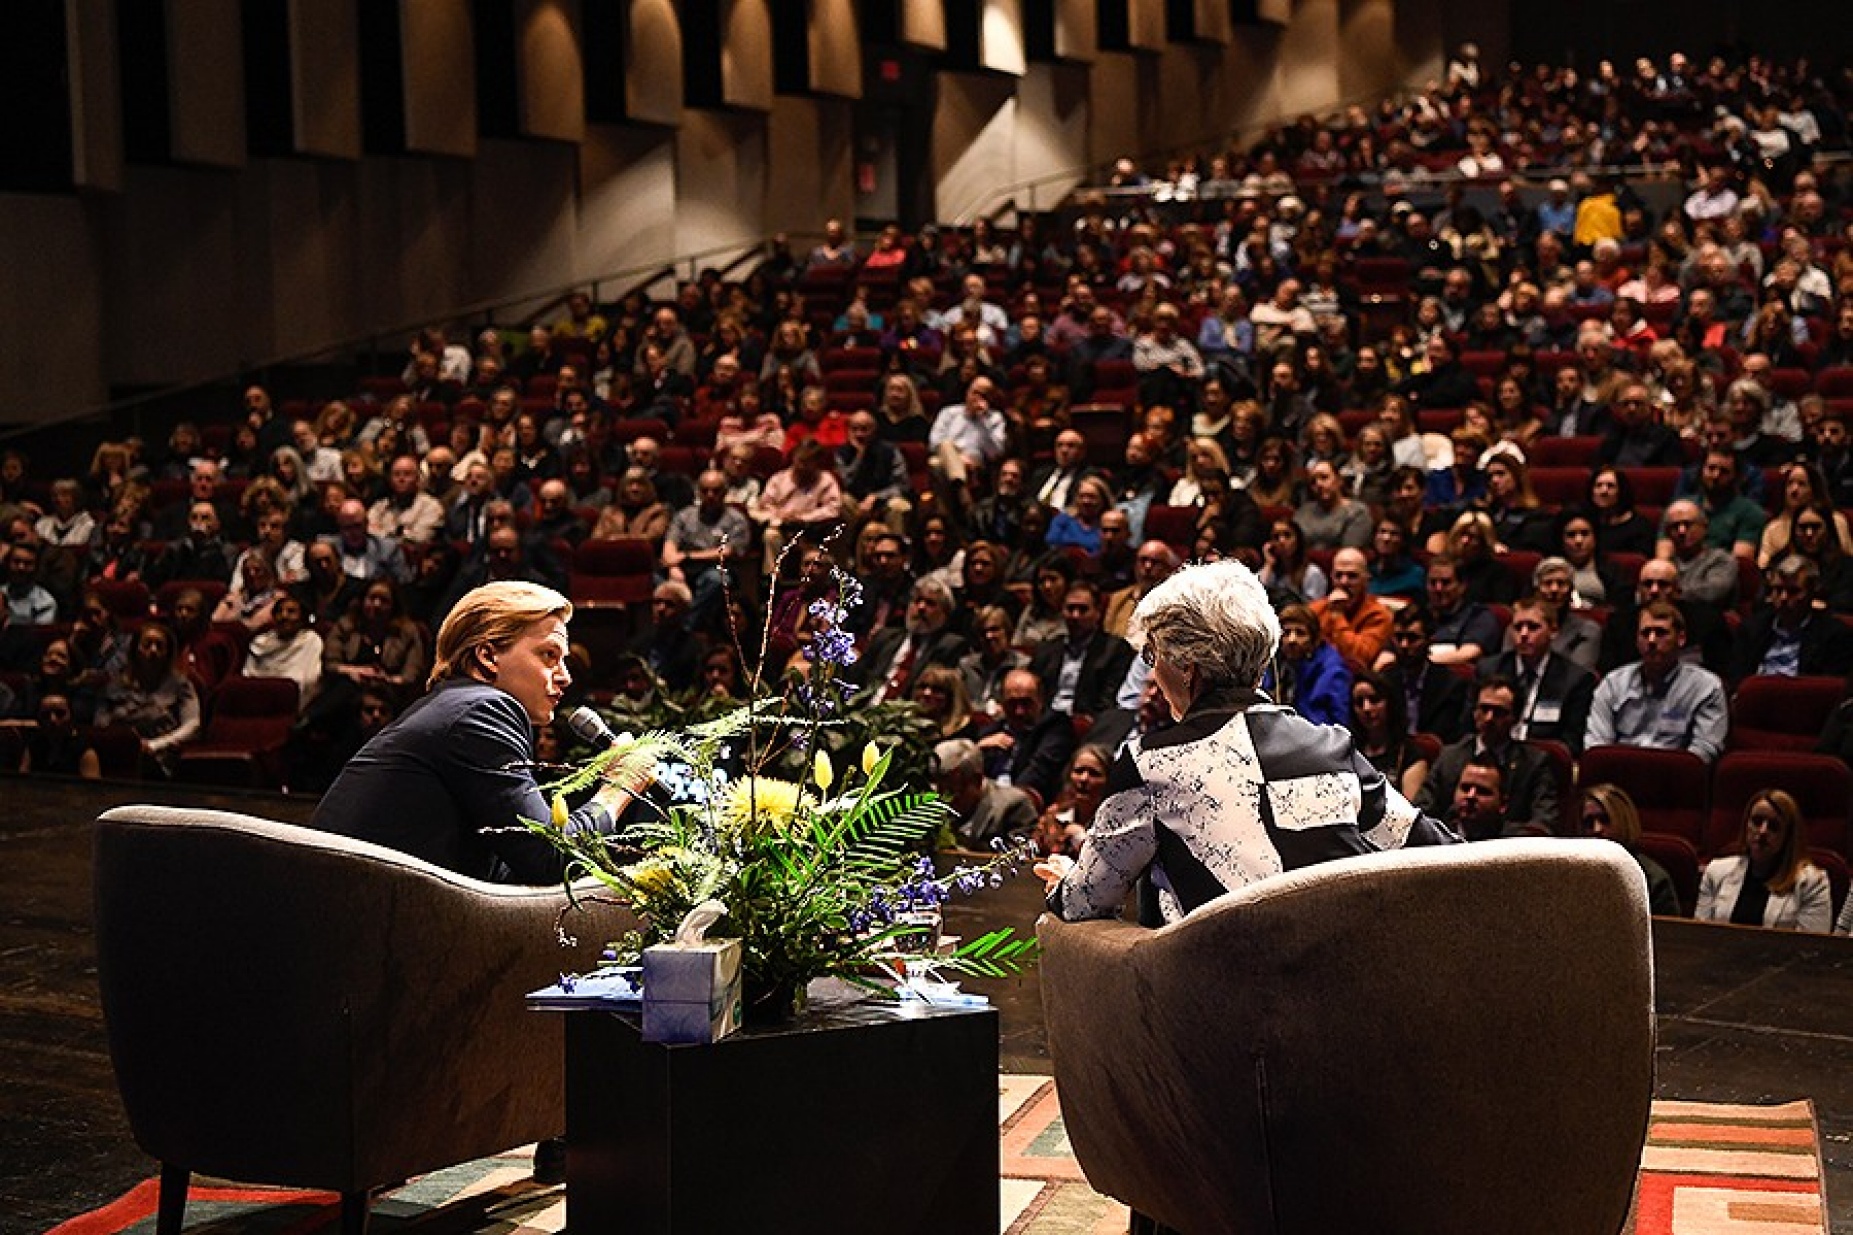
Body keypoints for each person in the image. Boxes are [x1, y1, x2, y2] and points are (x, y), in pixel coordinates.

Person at [1037, 559, 1455, 924]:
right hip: (1343, 997)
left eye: (1153, 656)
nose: (1153, 674)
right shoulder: (1334, 748)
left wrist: (1063, 883)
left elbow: (1084, 902)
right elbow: (1440, 854)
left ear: (1187, 665)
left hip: (1220, 1002)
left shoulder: (1149, 762)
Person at [312, 582, 632, 884]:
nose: (565, 677)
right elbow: (550, 857)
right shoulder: (482, 710)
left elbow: (509, 868)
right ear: (488, 656)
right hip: (362, 925)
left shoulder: (452, 705)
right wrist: (620, 785)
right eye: (549, 655)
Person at [1414, 676, 1560, 836]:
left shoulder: (1534, 763)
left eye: (1499, 712)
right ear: (1475, 712)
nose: (1489, 718)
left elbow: (1543, 824)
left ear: (1515, 718)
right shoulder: (1449, 757)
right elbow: (1421, 813)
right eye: (1484, 709)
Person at [1585, 602, 1730, 763]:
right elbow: (1596, 746)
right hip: (1619, 776)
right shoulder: (1613, 684)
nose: (1651, 640)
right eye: (1645, 633)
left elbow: (1704, 751)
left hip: (1675, 779)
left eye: (1661, 633)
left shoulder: (1706, 687)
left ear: (1681, 638)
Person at [1695, 790, 1833, 933]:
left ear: (1788, 835)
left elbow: (1811, 949)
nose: (1762, 831)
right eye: (1756, 821)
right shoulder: (1715, 872)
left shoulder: (1812, 884)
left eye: (1773, 826)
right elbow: (1702, 938)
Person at [1579, 784, 1681, 917]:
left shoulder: (1653, 879)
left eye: (1605, 820)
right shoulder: (1575, 876)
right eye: (1588, 823)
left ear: (1623, 822)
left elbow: (1668, 934)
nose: (1596, 829)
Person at [932, 737, 1036, 849]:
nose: (943, 800)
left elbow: (1018, 860)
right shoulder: (926, 803)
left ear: (977, 780)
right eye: (939, 790)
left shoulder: (1016, 806)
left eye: (952, 792)